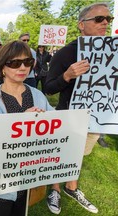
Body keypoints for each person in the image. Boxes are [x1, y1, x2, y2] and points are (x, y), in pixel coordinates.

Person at [44, 2, 113, 214]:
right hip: (69, 115)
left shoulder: (114, 51)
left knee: (78, 155)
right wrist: (67, 76)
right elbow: (48, 88)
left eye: (108, 19)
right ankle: (55, 189)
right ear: (81, 25)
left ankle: (71, 187)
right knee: (63, 153)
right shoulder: (65, 53)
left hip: (98, 117)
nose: (105, 24)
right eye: (99, 19)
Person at [0, 40, 53, 216]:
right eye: (15, 63)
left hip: (29, 176)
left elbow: (55, 129)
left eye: (28, 62)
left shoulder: (38, 96)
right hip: (0, 181)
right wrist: (19, 123)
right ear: (2, 67)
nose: (23, 67)